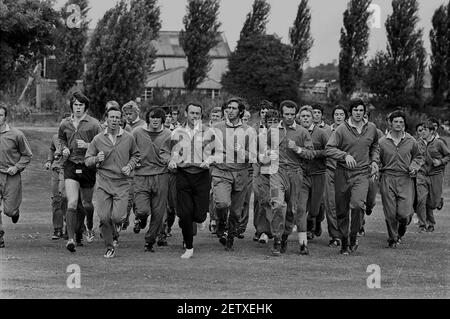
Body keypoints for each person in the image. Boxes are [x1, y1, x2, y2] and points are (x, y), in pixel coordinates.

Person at [326, 99, 380, 255]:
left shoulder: (372, 128)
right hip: (342, 173)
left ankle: (353, 236)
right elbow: (329, 148)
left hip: (362, 173)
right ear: (351, 112)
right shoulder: (341, 129)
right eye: (355, 110)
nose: (358, 113)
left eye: (361, 110)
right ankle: (344, 241)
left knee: (357, 205)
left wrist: (375, 161)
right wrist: (344, 156)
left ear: (364, 112)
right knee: (342, 210)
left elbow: (375, 146)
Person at [85, 107, 140, 258]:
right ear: (106, 119)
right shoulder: (98, 139)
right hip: (104, 181)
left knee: (117, 217)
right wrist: (96, 159)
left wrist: (129, 166)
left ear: (121, 119)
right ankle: (109, 246)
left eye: (117, 117)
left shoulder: (128, 137)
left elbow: (136, 155)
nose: (115, 120)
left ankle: (116, 228)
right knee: (103, 217)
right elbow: (87, 159)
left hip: (122, 183)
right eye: (112, 117)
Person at [267, 101, 315, 256]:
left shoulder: (302, 132)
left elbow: (311, 154)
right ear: (281, 113)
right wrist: (267, 153)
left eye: (292, 114)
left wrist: (297, 148)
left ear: (296, 115)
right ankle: (276, 240)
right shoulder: (273, 130)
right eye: (286, 114)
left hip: (295, 174)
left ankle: (285, 236)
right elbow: (266, 147)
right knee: (277, 204)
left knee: (292, 210)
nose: (289, 117)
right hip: (277, 172)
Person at [210, 97, 257, 251]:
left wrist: (241, 151)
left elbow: (254, 156)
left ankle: (229, 237)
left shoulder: (249, 131)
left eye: (234, 108)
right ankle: (221, 222)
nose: (230, 111)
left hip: (241, 173)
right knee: (222, 203)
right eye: (228, 107)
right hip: (221, 171)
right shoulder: (216, 127)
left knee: (237, 211)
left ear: (241, 111)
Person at [58, 92, 101, 253]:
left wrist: (88, 145)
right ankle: (70, 239)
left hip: (88, 165)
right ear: (71, 106)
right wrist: (64, 149)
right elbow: (61, 139)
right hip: (71, 165)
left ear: (85, 107)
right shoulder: (65, 123)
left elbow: (102, 144)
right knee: (72, 202)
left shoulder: (94, 124)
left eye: (80, 105)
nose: (77, 107)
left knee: (87, 204)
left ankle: (88, 224)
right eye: (75, 104)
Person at [169, 102, 213, 259]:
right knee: (185, 214)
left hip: (202, 175)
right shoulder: (176, 132)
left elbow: (219, 152)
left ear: (201, 115)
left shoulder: (208, 132)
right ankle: (188, 246)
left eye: (198, 114)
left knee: (199, 216)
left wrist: (209, 160)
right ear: (186, 113)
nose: (195, 116)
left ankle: (203, 217)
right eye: (192, 113)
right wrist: (172, 161)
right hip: (183, 175)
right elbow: (173, 152)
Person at [378, 111, 424, 248]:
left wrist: (414, 166)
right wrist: (377, 167)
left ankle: (402, 228)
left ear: (404, 124)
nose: (398, 124)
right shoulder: (382, 142)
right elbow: (376, 159)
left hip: (406, 178)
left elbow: (419, 157)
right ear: (390, 123)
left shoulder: (411, 141)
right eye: (396, 122)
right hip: (387, 178)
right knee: (390, 213)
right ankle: (393, 238)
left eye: (401, 122)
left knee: (404, 214)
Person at [132, 107, 172, 252]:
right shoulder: (137, 132)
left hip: (161, 175)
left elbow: (173, 152)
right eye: (152, 117)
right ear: (148, 119)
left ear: (162, 119)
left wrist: (172, 161)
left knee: (158, 212)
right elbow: (130, 149)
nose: (155, 120)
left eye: (158, 118)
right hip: (141, 175)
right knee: (142, 209)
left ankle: (150, 241)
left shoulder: (168, 134)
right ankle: (140, 218)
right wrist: (132, 161)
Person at [0, 104, 33, 248]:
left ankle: (14, 212)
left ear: (5, 117)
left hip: (11, 176)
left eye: (0, 115)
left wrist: (17, 167)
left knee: (8, 210)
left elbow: (27, 155)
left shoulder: (16, 135)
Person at [297, 106, 329, 251]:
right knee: (301, 207)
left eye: (307, 116)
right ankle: (303, 242)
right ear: (299, 118)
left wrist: (313, 153)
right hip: (301, 175)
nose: (305, 118)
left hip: (318, 174)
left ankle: (314, 220)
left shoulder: (321, 133)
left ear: (313, 118)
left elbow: (329, 150)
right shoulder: (295, 132)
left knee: (315, 208)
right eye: (302, 116)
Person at [416, 120, 450, 233]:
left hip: (435, 175)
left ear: (431, 131)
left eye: (425, 130)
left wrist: (440, 162)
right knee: (421, 200)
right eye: (421, 130)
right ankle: (422, 225)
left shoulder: (439, 143)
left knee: (432, 203)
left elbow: (448, 156)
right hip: (421, 175)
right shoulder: (417, 143)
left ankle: (431, 220)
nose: (422, 132)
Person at [254, 109, 279, 244]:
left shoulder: (283, 136)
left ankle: (275, 230)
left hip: (278, 177)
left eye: (276, 121)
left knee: (275, 202)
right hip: (263, 175)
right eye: (270, 122)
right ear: (265, 122)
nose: (273, 124)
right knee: (263, 202)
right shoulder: (260, 137)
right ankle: (263, 231)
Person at [324, 105, 347, 247]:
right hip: (329, 171)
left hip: (346, 172)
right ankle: (335, 235)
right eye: (336, 114)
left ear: (346, 116)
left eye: (341, 114)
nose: (339, 116)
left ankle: (347, 232)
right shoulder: (326, 131)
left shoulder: (349, 131)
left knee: (344, 204)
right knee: (330, 205)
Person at [44, 134, 66, 240]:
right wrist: (49, 161)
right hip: (56, 170)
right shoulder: (55, 137)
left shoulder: (74, 137)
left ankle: (71, 228)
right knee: (56, 199)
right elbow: (52, 149)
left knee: (67, 199)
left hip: (69, 171)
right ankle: (58, 229)